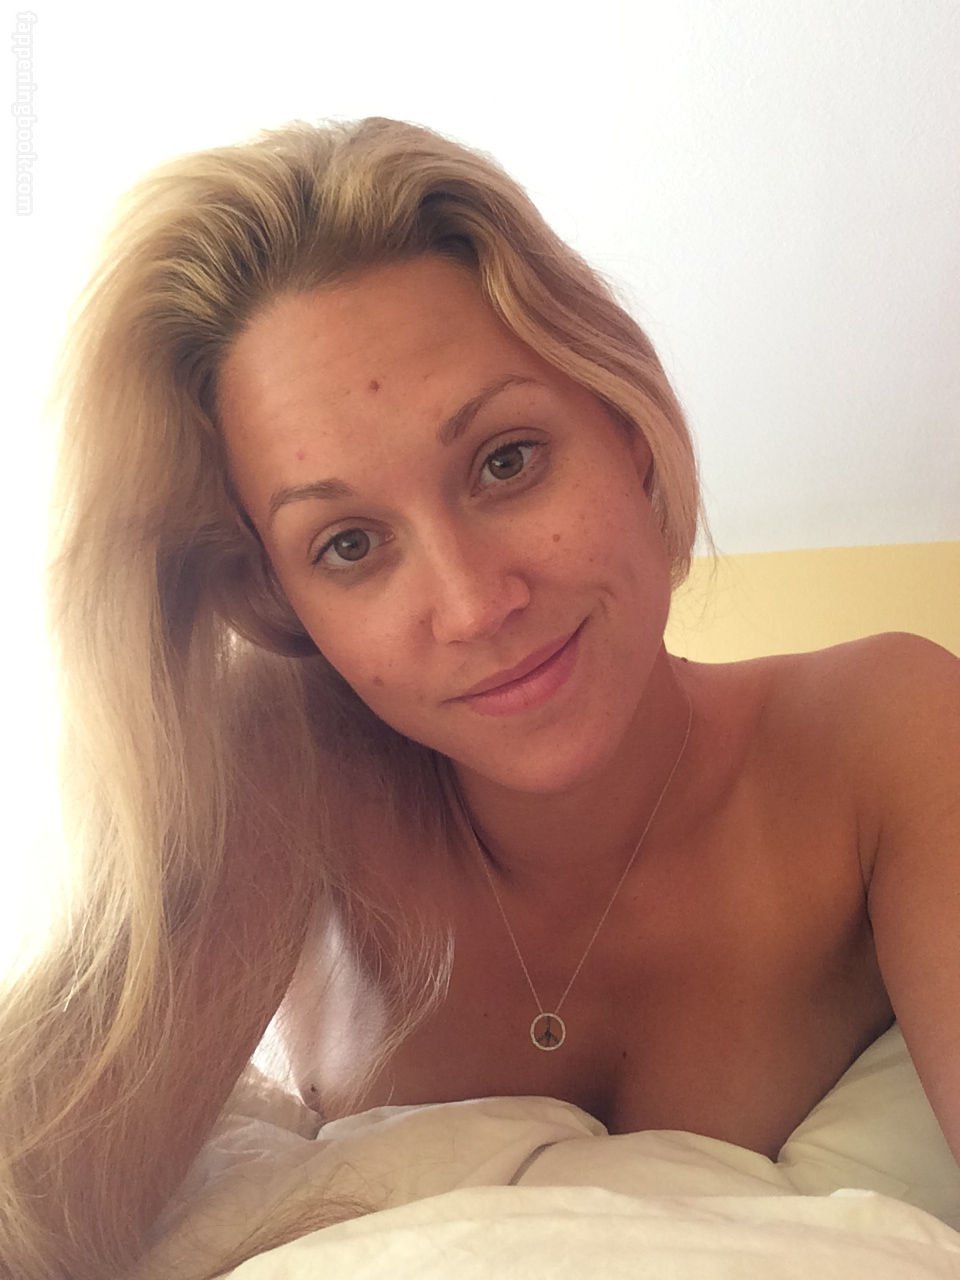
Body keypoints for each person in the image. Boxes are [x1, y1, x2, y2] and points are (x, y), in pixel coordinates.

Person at [1, 115, 956, 1280]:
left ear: (626, 427)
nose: (470, 604)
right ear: (283, 602)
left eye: (506, 460)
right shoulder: (283, 771)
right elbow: (41, 1178)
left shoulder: (885, 731)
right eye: (349, 542)